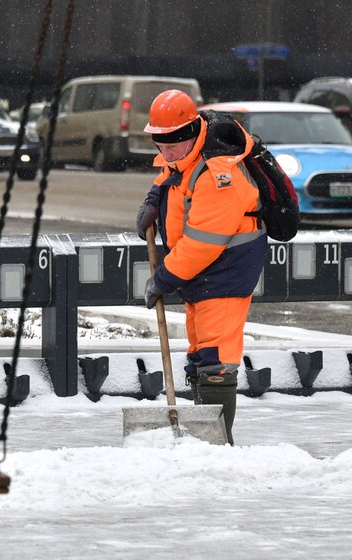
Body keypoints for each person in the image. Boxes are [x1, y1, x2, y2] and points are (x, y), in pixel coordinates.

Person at [135, 89, 268, 445]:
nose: (166, 152)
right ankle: (200, 436)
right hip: (201, 276)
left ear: (192, 132)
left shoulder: (217, 173)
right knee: (199, 354)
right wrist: (152, 200)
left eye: (173, 143)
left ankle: (217, 445)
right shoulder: (185, 156)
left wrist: (162, 279)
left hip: (225, 271)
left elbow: (204, 243)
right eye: (159, 143)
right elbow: (168, 173)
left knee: (216, 359)